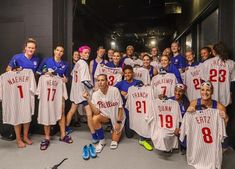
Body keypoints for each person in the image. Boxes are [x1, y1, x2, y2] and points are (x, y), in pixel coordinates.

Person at [5, 38, 40, 148]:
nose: (31, 49)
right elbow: (7, 70)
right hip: (16, 89)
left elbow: (36, 73)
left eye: (33, 48)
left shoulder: (36, 59)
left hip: (28, 90)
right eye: (29, 47)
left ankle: (25, 136)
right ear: (25, 47)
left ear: (35, 49)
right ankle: (18, 139)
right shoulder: (17, 57)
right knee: (17, 113)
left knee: (27, 113)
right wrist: (15, 71)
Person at [36, 46, 72, 144]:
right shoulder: (47, 60)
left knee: (61, 112)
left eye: (61, 51)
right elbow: (39, 71)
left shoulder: (66, 64)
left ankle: (63, 135)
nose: (59, 52)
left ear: (63, 53)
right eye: (57, 50)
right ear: (54, 51)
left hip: (59, 90)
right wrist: (46, 72)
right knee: (46, 112)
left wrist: (65, 79)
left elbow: (67, 78)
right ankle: (47, 137)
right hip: (47, 89)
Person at [83, 74, 125, 153]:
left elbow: (120, 107)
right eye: (98, 80)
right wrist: (88, 99)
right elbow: (96, 112)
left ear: (107, 82)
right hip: (105, 116)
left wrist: (118, 122)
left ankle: (115, 129)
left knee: (114, 141)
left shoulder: (114, 90)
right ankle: (102, 141)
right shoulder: (95, 94)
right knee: (94, 119)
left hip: (117, 116)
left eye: (102, 80)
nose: (100, 82)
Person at [66, 45, 97, 143]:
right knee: (89, 113)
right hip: (82, 93)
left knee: (72, 110)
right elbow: (84, 81)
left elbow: (73, 75)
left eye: (88, 53)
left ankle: (66, 128)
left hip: (75, 91)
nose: (87, 54)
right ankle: (93, 134)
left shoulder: (78, 63)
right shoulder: (83, 63)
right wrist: (93, 88)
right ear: (80, 53)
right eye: (85, 52)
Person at [169, 84, 189, 154]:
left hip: (181, 126)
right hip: (170, 125)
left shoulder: (186, 103)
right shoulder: (169, 100)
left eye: (180, 91)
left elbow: (187, 119)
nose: (177, 93)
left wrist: (180, 128)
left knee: (186, 144)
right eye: (176, 91)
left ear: (183, 92)